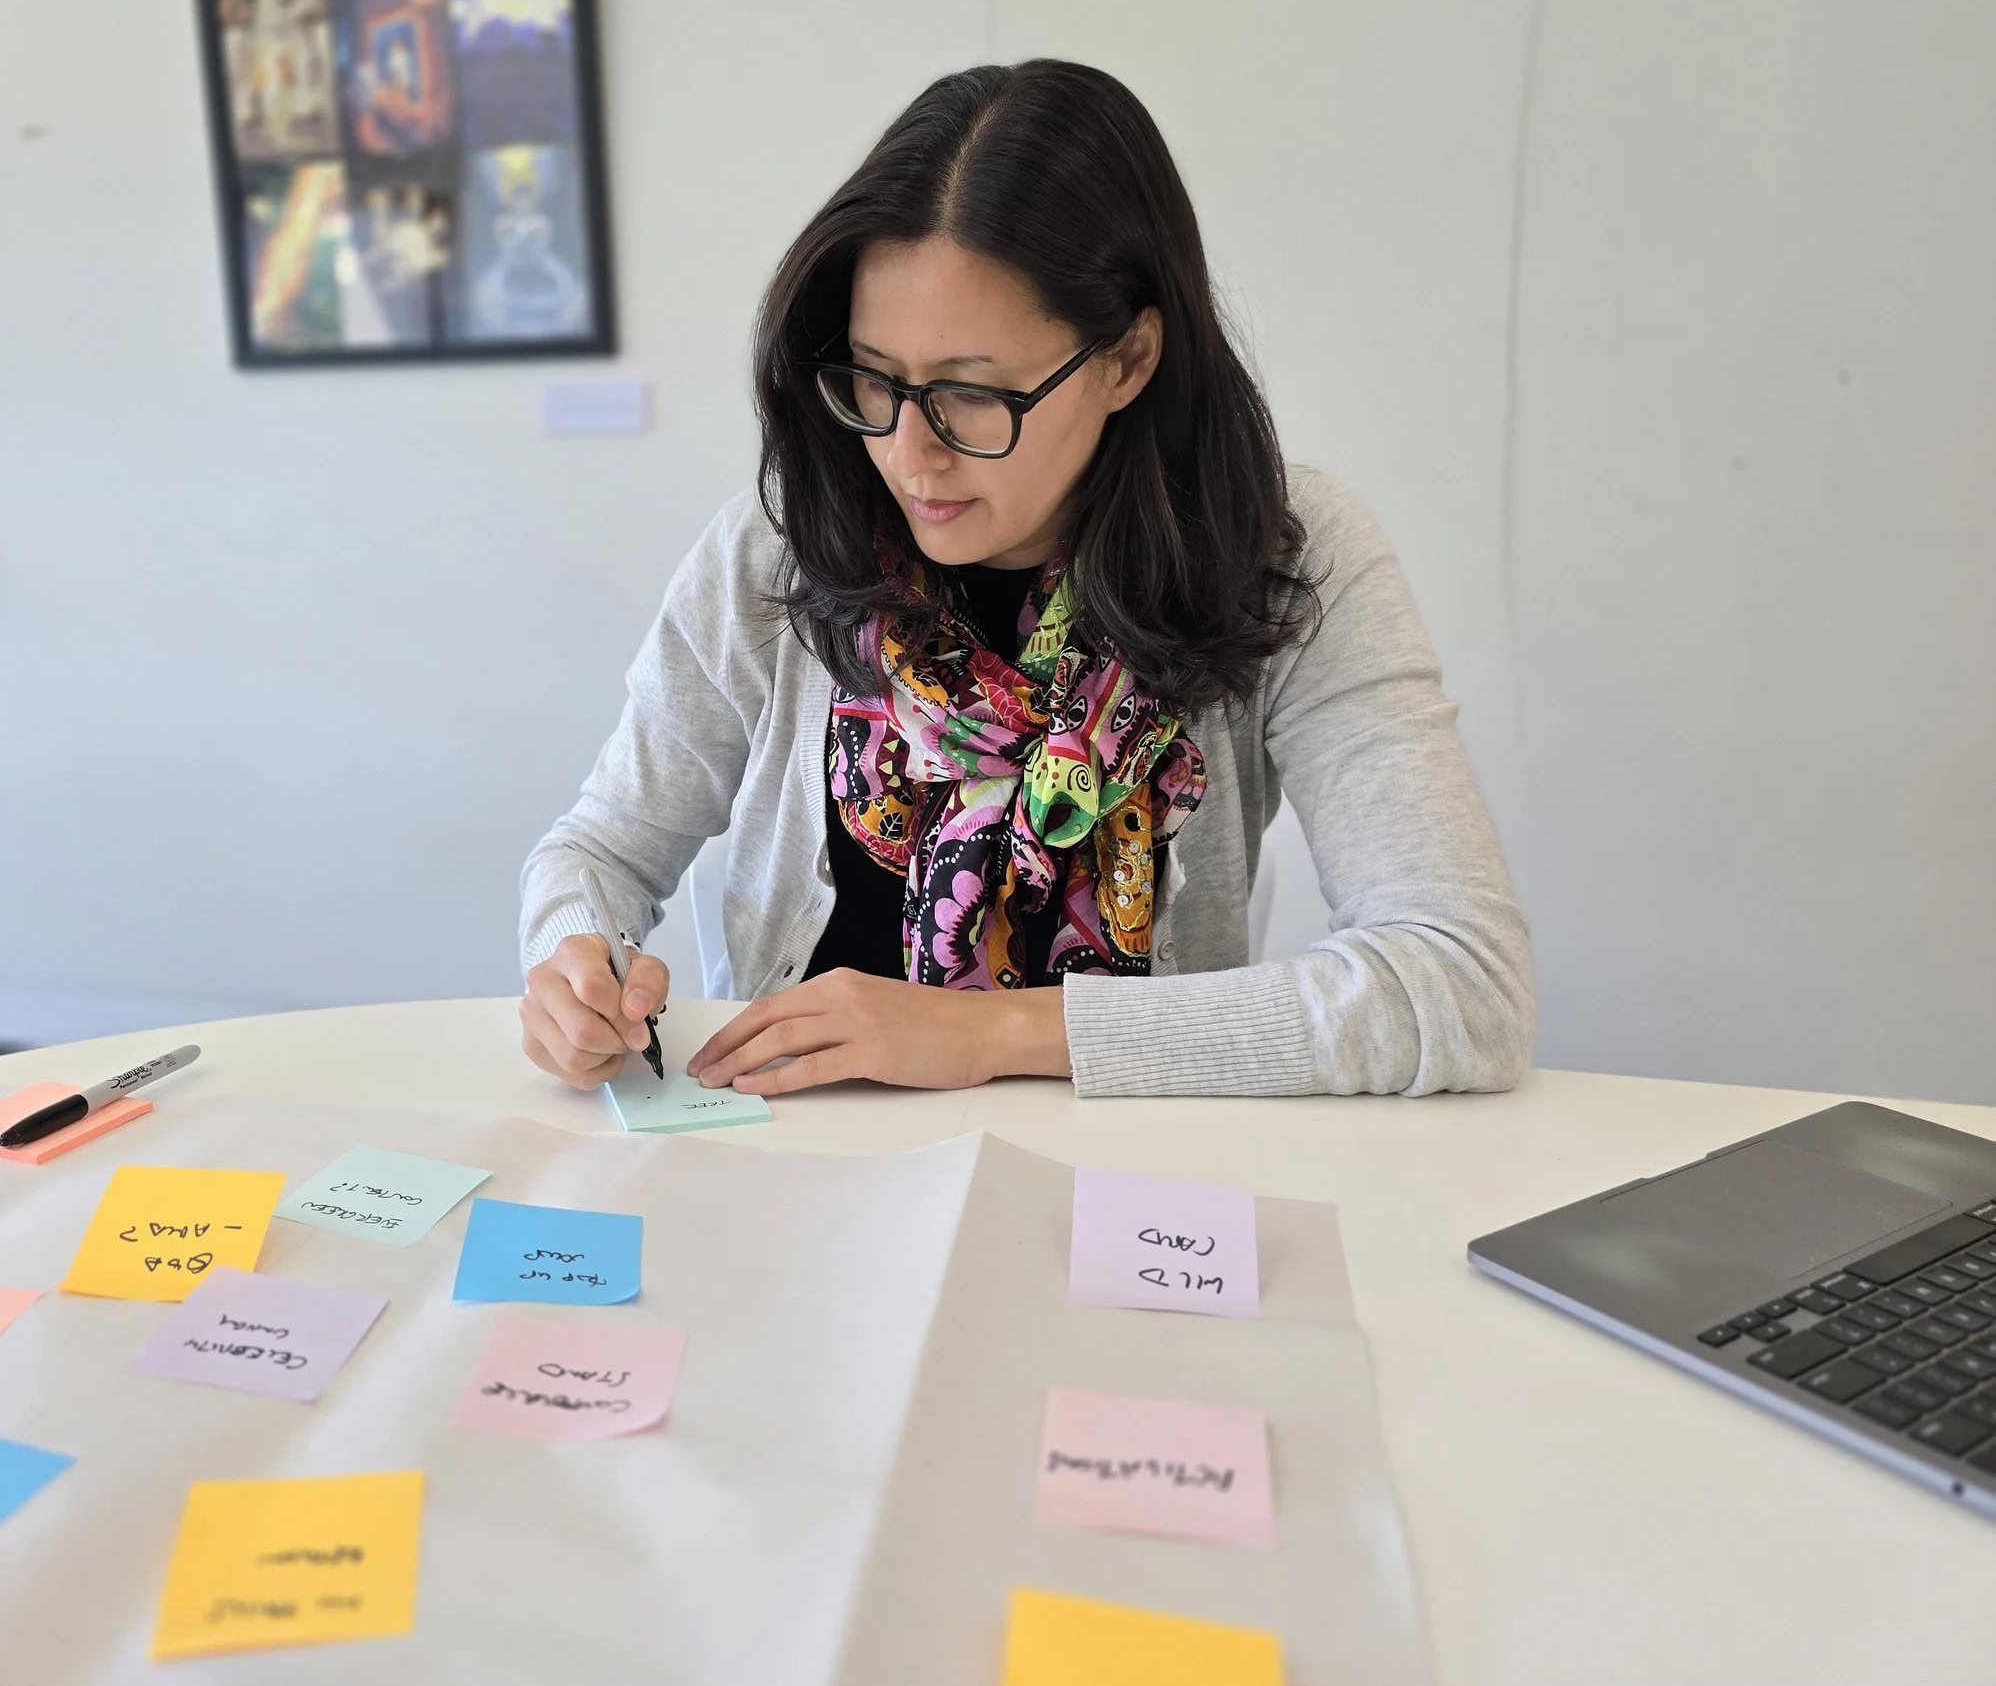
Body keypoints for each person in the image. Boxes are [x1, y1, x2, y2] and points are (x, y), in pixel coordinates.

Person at [517, 60, 1534, 1100]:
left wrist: (992, 1032)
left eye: (971, 394)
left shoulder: (1282, 554)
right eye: (874, 378)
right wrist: (573, 959)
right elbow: (602, 848)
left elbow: (1463, 984)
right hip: (797, 1164)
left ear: (1128, 359)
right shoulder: (770, 556)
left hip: (1131, 1197)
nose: (910, 454)